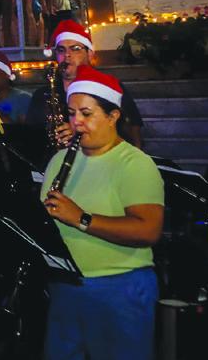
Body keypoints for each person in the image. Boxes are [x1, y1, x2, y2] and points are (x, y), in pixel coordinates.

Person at [41, 65, 164, 360]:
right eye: (72, 113)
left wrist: (81, 219)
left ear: (113, 116)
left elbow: (148, 230)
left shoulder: (135, 163)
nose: (76, 122)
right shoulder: (59, 160)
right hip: (66, 287)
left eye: (86, 114)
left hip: (118, 288)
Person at [28, 21, 144, 151]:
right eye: (61, 50)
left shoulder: (109, 88)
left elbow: (132, 132)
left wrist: (79, 131)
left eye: (75, 49)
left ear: (90, 54)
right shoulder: (41, 95)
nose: (67, 55)